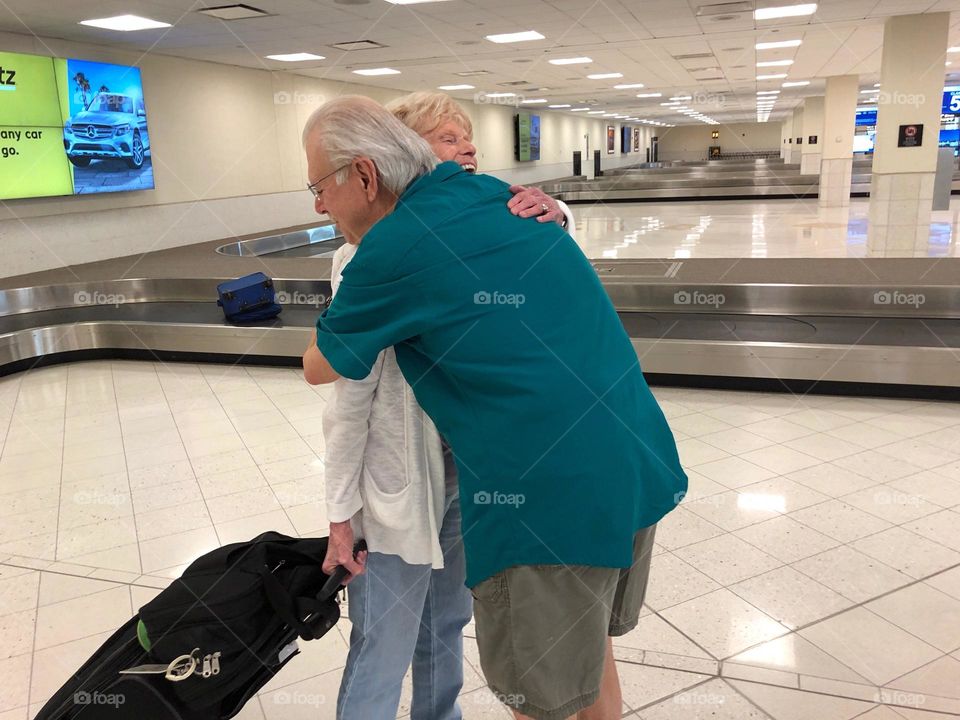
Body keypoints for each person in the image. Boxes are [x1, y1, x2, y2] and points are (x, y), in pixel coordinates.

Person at [303, 96, 686, 720]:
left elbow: (321, 367)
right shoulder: (501, 201)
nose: (318, 205)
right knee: (586, 665)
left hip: (544, 500)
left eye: (320, 186)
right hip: (633, 462)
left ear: (367, 175)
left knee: (535, 696)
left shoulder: (390, 249)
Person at [321, 91, 575, 720]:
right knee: (384, 637)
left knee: (446, 621)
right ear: (401, 157)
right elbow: (348, 399)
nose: (466, 148)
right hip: (398, 486)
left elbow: (549, 272)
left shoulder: (478, 228)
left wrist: (558, 212)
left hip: (467, 473)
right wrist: (339, 513)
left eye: (468, 138)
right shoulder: (363, 258)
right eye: (446, 138)